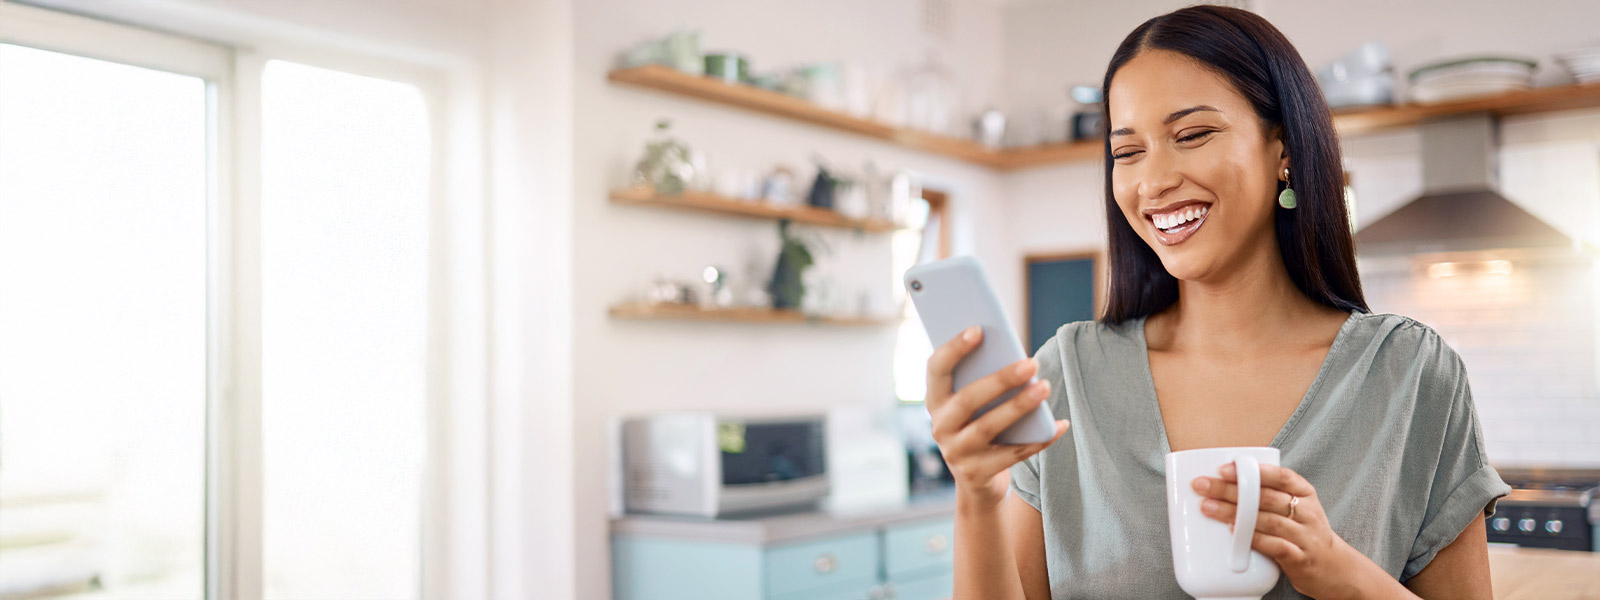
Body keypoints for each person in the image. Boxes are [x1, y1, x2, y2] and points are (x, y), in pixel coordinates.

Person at [923, 5, 1510, 599]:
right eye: (1127, 152)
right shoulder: (1067, 377)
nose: (1152, 182)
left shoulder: (1410, 373)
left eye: (1192, 135)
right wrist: (978, 496)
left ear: (1282, 147)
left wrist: (1336, 569)